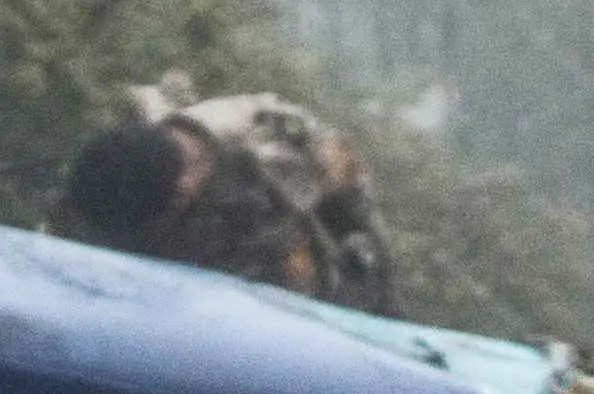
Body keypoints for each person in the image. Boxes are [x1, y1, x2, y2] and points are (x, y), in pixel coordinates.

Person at [48, 85, 400, 312]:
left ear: (180, 196)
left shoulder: (273, 142)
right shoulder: (113, 171)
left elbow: (349, 194)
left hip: (290, 296)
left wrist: (366, 272)